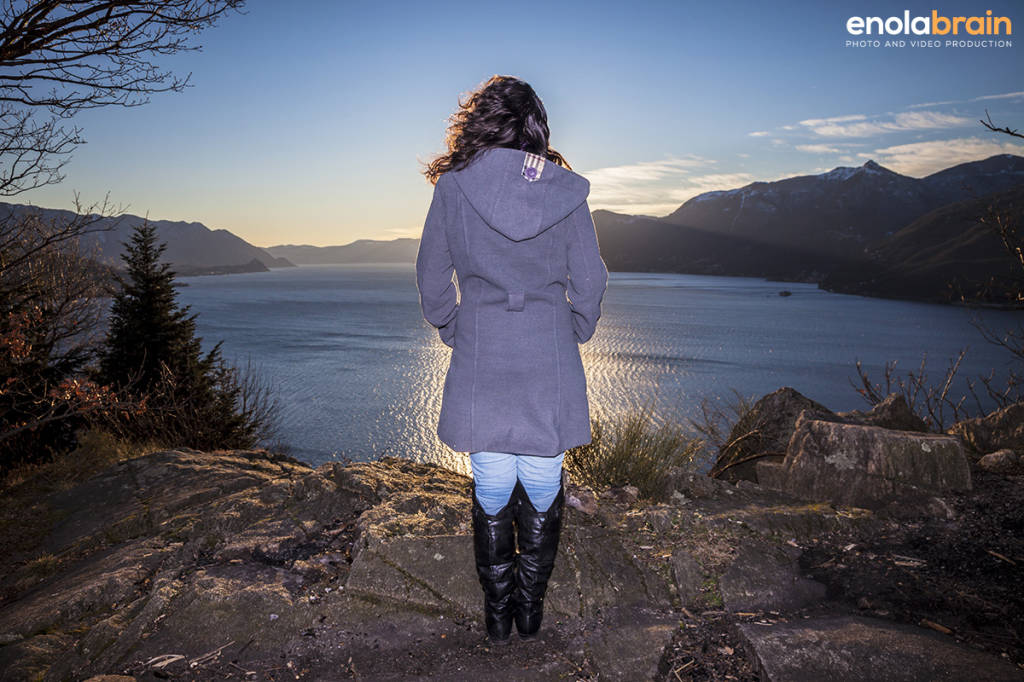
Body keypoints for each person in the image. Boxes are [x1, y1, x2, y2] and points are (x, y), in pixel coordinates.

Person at [416, 75, 608, 645]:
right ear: (535, 124)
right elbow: (591, 279)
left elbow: (431, 278)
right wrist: (574, 326)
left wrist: (454, 325)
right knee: (544, 468)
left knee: (492, 470)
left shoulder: (454, 187)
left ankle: (497, 619)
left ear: (479, 120)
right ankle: (531, 614)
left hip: (482, 341)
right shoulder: (565, 190)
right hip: (547, 343)